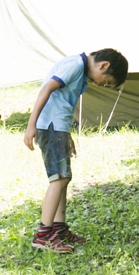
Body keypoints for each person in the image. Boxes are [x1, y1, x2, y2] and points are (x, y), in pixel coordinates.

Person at [24, 49, 128, 253]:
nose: (101, 84)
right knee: (59, 178)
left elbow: (62, 102)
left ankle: (59, 229)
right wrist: (31, 124)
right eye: (105, 81)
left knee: (63, 177)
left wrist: (66, 134)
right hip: (50, 125)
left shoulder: (79, 70)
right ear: (103, 65)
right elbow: (46, 89)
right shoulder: (75, 65)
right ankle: (43, 235)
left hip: (58, 127)